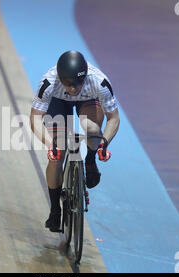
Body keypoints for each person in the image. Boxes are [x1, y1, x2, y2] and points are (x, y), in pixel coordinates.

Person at [30, 50, 120, 232]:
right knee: (58, 153)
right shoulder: (49, 82)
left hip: (88, 101)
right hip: (57, 101)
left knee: (93, 130)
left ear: (85, 77)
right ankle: (55, 210)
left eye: (78, 83)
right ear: (60, 78)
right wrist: (50, 144)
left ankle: (90, 160)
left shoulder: (99, 81)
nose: (73, 89)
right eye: (69, 84)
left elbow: (114, 118)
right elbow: (35, 118)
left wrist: (104, 143)